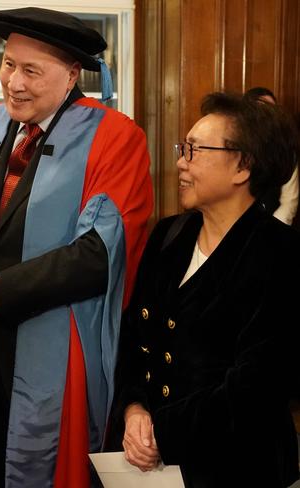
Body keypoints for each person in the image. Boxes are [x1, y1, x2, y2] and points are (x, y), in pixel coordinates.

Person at [0, 7, 153, 488]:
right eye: (8, 65)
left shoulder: (113, 136)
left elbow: (98, 252)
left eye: (31, 71)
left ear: (70, 75)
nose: (13, 83)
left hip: (49, 342)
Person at [110, 92, 300, 487]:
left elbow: (257, 386)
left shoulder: (281, 254)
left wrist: (162, 431)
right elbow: (132, 337)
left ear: (243, 167)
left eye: (194, 150)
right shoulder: (168, 236)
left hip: (236, 468)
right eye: (184, 148)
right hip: (151, 468)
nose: (180, 161)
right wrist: (133, 410)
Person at [244, 86, 299, 224]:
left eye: (271, 110)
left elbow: (289, 202)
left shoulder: (285, 150)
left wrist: (270, 233)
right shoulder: (232, 146)